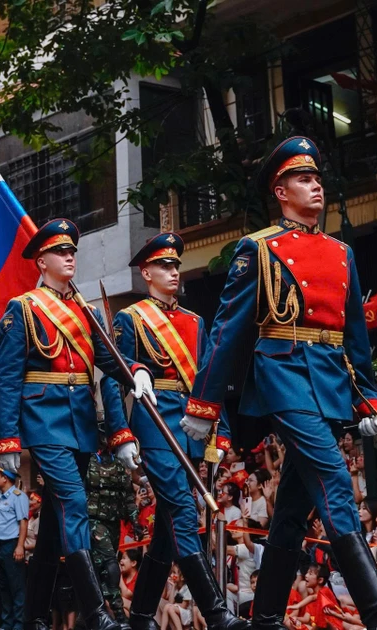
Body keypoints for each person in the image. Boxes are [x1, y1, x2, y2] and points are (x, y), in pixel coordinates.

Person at [183, 136, 377, 630]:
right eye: (304, 179)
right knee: (336, 482)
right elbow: (227, 332)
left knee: (295, 507)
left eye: (318, 178)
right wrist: (203, 403)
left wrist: (366, 400)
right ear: (280, 192)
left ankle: (267, 617)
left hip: (329, 381)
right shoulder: (257, 249)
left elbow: (355, 336)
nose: (316, 186)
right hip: (282, 376)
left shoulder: (341, 252)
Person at [0, 218, 154, 630]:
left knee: (54, 523)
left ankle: (33, 617)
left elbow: (106, 358)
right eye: (60, 252)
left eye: (72, 252)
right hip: (43, 419)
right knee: (74, 503)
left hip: (80, 421)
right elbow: (7, 379)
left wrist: (134, 369)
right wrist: (7, 439)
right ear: (41, 260)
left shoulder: (87, 309)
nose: (69, 258)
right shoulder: (24, 309)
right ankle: (97, 612)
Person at [101, 231, 246, 630]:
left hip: (192, 429)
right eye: (164, 265)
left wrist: (223, 431)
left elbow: (208, 381)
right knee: (183, 512)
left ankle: (142, 615)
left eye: (176, 265)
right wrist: (120, 433)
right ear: (146, 272)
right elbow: (113, 380)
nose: (173, 271)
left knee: (168, 528)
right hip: (154, 427)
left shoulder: (194, 321)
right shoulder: (132, 319)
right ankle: (217, 614)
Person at [86, 427, 138, 622]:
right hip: (94, 520)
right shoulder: (88, 461)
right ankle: (119, 615)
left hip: (113, 520)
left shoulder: (119, 462)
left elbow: (128, 494)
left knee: (102, 568)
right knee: (110, 563)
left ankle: (96, 616)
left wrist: (134, 519)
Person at [0, 467, 29, 630]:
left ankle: (18, 625)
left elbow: (23, 523)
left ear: (5, 478)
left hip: (11, 546)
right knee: (3, 588)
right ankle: (7, 624)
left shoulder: (18, 497)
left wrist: (20, 546)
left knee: (17, 588)